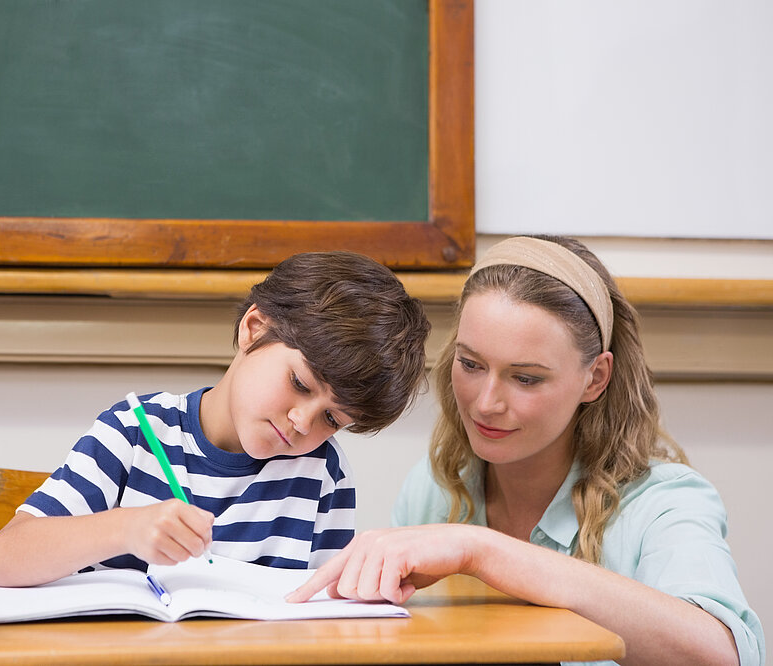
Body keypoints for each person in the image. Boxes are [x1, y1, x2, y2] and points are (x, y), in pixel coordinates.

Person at [288, 236, 765, 666]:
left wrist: (483, 551)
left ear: (594, 378)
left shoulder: (665, 502)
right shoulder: (436, 489)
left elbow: (719, 654)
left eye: (526, 378)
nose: (486, 402)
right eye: (471, 364)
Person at [0, 251, 431, 587]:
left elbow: (320, 609)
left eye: (332, 419)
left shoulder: (324, 476)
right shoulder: (135, 431)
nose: (302, 422)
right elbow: (4, 559)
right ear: (253, 329)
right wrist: (125, 528)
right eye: (299, 383)